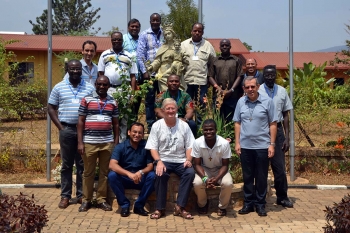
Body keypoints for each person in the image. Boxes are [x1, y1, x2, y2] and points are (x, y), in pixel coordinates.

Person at [48, 59, 95, 209]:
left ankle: (81, 195)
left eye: (78, 69)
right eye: (72, 69)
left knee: (82, 164)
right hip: (66, 130)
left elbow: (93, 107)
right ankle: (65, 196)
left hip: (85, 131)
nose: (75, 71)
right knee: (67, 165)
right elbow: (50, 108)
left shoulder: (89, 87)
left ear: (82, 70)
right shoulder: (59, 87)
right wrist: (61, 127)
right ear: (67, 70)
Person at [233, 76, 278, 217]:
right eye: (247, 87)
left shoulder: (268, 102)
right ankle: (248, 204)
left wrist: (272, 144)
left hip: (262, 146)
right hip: (245, 146)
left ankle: (260, 204)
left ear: (258, 86)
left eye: (253, 86)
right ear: (244, 89)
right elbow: (237, 122)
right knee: (247, 176)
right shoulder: (241, 102)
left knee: (261, 176)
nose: (250, 89)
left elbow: (273, 123)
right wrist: (237, 142)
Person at [145, 98, 195, 220]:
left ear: (177, 109)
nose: (171, 111)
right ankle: (159, 208)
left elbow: (190, 146)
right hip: (164, 159)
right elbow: (152, 147)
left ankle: (180, 207)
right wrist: (159, 161)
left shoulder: (184, 125)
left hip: (180, 160)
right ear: (163, 110)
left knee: (190, 173)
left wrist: (188, 159)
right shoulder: (157, 125)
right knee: (160, 174)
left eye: (173, 108)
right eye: (168, 108)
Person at [76, 75, 119, 212]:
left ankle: (101, 199)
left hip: (107, 142)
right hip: (89, 142)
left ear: (108, 86)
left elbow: (116, 124)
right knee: (88, 172)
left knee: (104, 173)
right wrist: (80, 142)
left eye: (105, 84)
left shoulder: (113, 102)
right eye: (99, 84)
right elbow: (80, 122)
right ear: (95, 84)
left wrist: (116, 141)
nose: (102, 87)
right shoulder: (87, 99)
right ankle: (86, 200)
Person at [259, 65, 294, 208]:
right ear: (263, 76)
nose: (269, 77)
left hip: (278, 130)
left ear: (275, 75)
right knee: (261, 167)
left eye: (272, 75)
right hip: (261, 130)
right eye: (267, 75)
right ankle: (259, 198)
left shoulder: (282, 91)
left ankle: (282, 197)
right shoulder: (258, 90)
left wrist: (287, 137)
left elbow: (286, 114)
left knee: (279, 167)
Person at [108, 122, 155, 217]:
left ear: (142, 134)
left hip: (140, 179)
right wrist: (129, 174)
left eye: (140, 133)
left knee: (153, 176)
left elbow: (150, 166)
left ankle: (139, 205)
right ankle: (124, 205)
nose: (137, 135)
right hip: (125, 179)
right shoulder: (120, 147)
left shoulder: (147, 147)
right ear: (129, 132)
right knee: (112, 175)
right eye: (134, 132)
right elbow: (112, 165)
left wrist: (140, 172)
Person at [98, 31, 137, 142]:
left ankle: (122, 142)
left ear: (122, 41)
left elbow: (133, 76)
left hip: (124, 90)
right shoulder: (104, 54)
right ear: (111, 40)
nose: (116, 41)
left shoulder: (129, 56)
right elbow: (100, 73)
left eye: (119, 39)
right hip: (108, 90)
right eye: (114, 39)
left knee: (124, 118)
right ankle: (109, 142)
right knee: (108, 115)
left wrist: (132, 94)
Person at [192, 119, 233, 216]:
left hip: (220, 170)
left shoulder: (224, 143)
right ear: (202, 130)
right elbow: (197, 164)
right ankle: (202, 204)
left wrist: (217, 179)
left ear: (216, 130)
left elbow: (225, 165)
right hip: (204, 169)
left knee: (228, 183)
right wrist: (205, 179)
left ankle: (222, 207)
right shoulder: (197, 142)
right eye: (206, 130)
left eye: (211, 129)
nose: (208, 132)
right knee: (197, 183)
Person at [181, 23, 216, 124]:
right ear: (191, 31)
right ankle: (188, 125)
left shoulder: (208, 46)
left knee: (201, 106)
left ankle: (200, 127)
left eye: (199, 31)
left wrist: (210, 78)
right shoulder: (183, 45)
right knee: (187, 105)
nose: (197, 33)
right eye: (195, 30)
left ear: (202, 32)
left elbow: (213, 63)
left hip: (202, 82)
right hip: (186, 81)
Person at [137, 13, 164, 133]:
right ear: (150, 21)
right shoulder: (144, 35)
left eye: (157, 20)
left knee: (164, 99)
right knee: (149, 100)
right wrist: (144, 72)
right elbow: (140, 55)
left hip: (164, 74)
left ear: (160, 21)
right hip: (150, 74)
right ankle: (151, 126)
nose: (155, 22)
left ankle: (163, 125)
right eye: (153, 20)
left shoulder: (165, 34)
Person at [208, 39, 243, 123]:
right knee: (218, 119)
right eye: (222, 45)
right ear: (219, 47)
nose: (224, 47)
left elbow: (239, 76)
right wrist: (218, 89)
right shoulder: (214, 60)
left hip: (232, 95)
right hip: (218, 95)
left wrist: (231, 90)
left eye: (226, 45)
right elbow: (210, 76)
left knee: (232, 119)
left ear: (230, 47)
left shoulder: (236, 60)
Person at [147, 24, 187, 92]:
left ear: (173, 33)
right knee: (165, 95)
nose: (167, 36)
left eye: (169, 33)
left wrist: (182, 66)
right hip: (163, 74)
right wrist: (151, 66)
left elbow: (184, 60)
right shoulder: (162, 47)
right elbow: (158, 61)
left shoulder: (178, 47)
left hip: (175, 72)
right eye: (165, 34)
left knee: (177, 94)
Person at [123, 18, 142, 122]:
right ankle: (126, 127)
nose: (134, 28)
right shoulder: (124, 39)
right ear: (128, 27)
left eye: (137, 27)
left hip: (140, 78)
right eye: (132, 26)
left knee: (136, 103)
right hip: (127, 78)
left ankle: (134, 124)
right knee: (127, 103)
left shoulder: (142, 39)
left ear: (139, 28)